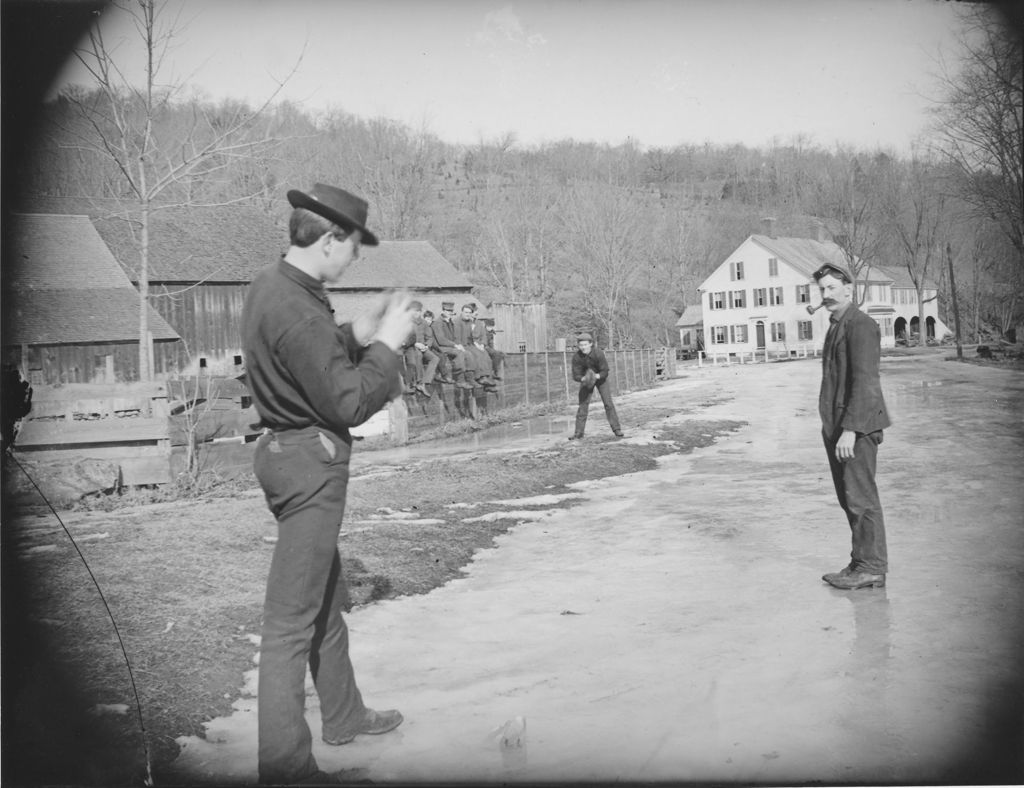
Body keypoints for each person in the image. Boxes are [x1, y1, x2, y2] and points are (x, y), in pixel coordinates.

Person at [241, 183, 413, 784]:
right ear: (331, 238)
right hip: (309, 464)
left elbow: (309, 360)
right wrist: (388, 348)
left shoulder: (275, 286)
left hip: (285, 454)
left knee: (325, 596)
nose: (355, 259)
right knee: (289, 621)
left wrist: (355, 335)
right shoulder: (296, 305)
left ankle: (344, 715)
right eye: (354, 248)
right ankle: (286, 769)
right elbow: (346, 400)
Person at [814, 261, 891, 591]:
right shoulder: (837, 325)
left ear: (849, 289)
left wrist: (851, 429)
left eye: (832, 288)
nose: (826, 294)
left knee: (861, 498)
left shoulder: (860, 325)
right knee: (850, 498)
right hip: (839, 428)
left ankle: (871, 567)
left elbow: (865, 382)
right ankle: (861, 562)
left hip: (855, 429)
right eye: (821, 290)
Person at [569, 332, 623, 440]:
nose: (583, 347)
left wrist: (597, 376)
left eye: (585, 345)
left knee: (608, 403)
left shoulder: (598, 353)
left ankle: (617, 430)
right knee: (583, 406)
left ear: (590, 344)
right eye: (581, 345)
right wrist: (583, 378)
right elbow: (576, 375)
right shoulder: (576, 357)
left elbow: (605, 370)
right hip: (586, 380)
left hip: (600, 379)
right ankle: (578, 433)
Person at [432, 301, 474, 390]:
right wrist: (455, 345)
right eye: (447, 311)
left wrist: (459, 345)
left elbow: (454, 337)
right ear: (443, 311)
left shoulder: (450, 322)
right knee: (460, 353)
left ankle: (470, 378)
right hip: (441, 348)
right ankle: (460, 380)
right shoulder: (437, 323)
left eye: (451, 311)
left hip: (450, 346)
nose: (450, 313)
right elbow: (441, 340)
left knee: (468, 353)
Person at [401, 300, 438, 397]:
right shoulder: (406, 322)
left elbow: (429, 337)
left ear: (421, 312)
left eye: (418, 311)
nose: (416, 313)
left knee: (435, 358)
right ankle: (419, 382)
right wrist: (416, 344)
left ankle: (425, 381)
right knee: (417, 355)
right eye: (414, 311)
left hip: (423, 347)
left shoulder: (424, 323)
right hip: (412, 347)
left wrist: (427, 346)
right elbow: (405, 338)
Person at [422, 310, 454, 383]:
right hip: (424, 349)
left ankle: (440, 375)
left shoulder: (431, 327)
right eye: (427, 319)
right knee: (438, 356)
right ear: (424, 319)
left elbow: (434, 341)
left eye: (430, 319)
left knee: (441, 355)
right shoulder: (421, 327)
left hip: (431, 348)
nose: (428, 321)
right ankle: (443, 375)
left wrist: (438, 348)